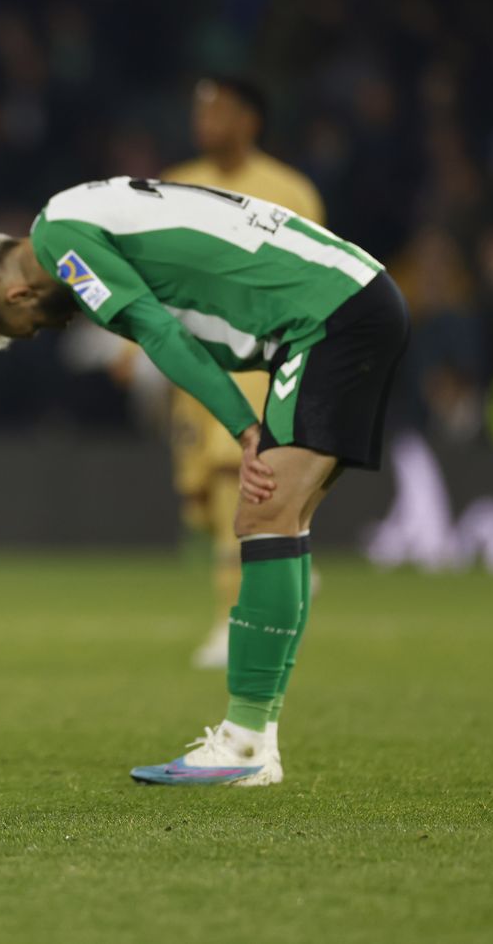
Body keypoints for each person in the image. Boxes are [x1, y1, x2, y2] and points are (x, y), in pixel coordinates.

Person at [0, 176, 407, 786]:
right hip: (345, 298)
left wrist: (244, 428)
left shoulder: (60, 242)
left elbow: (160, 334)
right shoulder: (86, 209)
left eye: (29, 325)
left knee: (263, 515)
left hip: (324, 318)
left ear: (17, 293)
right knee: (281, 522)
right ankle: (253, 740)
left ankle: (246, 743)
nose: (52, 327)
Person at [160, 76, 328, 669]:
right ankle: (290, 564)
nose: (207, 122)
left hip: (259, 362)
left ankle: (231, 620)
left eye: (221, 111)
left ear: (250, 120)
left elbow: (316, 276)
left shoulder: (289, 191)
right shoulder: (176, 185)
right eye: (200, 110)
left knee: (244, 486)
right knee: (206, 504)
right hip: (191, 364)